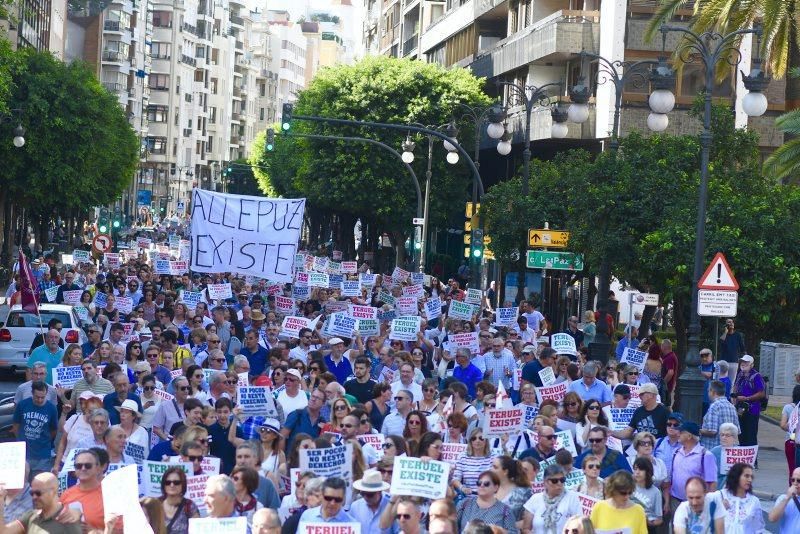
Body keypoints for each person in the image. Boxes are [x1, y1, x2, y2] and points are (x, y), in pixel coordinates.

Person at [664, 421, 717, 515]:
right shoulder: (676, 452)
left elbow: (712, 483)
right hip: (675, 502)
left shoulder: (706, 455)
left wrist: (707, 506)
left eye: (681, 432)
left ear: (689, 436)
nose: (677, 434)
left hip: (696, 504)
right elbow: (671, 478)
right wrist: (668, 502)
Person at [0, 472, 81, 534]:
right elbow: (3, 532)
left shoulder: (68, 520)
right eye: (32, 493)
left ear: (52, 492)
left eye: (38, 493)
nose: (34, 497)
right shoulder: (31, 516)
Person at [13, 381, 58, 477]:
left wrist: (44, 441)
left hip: (43, 454)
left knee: (40, 484)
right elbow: (16, 425)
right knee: (22, 482)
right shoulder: (22, 405)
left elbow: (54, 430)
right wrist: (20, 441)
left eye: (43, 397)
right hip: (24, 452)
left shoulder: (51, 408)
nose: (40, 400)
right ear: (32, 393)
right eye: (37, 397)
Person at [522, 465, 581, 534]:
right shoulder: (535, 499)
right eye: (554, 481)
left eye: (562, 480)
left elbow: (579, 526)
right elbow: (526, 528)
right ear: (545, 482)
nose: (559, 483)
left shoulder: (572, 497)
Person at [59, 449, 105, 530]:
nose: (83, 469)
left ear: (98, 468)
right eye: (78, 466)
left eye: (88, 465)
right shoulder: (66, 494)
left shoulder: (108, 495)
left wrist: (93, 531)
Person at [712, 462, 764, 532]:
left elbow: (758, 529)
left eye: (751, 477)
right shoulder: (719, 496)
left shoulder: (754, 501)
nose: (750, 480)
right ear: (736, 476)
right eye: (746, 476)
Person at [731, 354, 764, 450]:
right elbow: (736, 387)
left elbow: (761, 393)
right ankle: (743, 459)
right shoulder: (740, 374)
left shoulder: (756, 376)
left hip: (752, 410)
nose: (743, 364)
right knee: (741, 435)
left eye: (746, 362)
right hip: (740, 409)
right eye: (742, 362)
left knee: (751, 436)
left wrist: (747, 398)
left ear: (752, 364)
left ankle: (753, 461)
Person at [452, 428, 494, 495]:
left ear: (486, 440)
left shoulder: (493, 457)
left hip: (488, 497)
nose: (477, 441)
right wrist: (462, 488)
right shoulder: (463, 456)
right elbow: (455, 479)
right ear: (470, 441)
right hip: (468, 498)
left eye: (481, 438)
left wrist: (504, 446)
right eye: (474, 438)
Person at [159, 465, 200, 534]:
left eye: (176, 482)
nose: (172, 485)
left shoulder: (190, 506)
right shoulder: (156, 504)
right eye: (168, 482)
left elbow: (198, 531)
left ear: (183, 485)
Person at [700, 380, 739, 449]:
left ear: (713, 392)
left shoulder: (714, 406)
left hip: (712, 448)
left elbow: (712, 431)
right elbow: (737, 431)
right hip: (727, 450)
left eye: (708, 391)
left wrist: (698, 430)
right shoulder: (731, 406)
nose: (708, 393)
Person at [632, 456, 664, 532]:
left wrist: (648, 522)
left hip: (647, 527)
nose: (637, 472)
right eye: (635, 469)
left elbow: (659, 519)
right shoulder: (629, 486)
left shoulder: (655, 492)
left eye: (641, 469)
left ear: (648, 471)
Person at [768, 466, 800, 533]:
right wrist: (787, 498)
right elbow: (772, 518)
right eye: (793, 480)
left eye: (798, 480)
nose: (795, 483)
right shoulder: (783, 498)